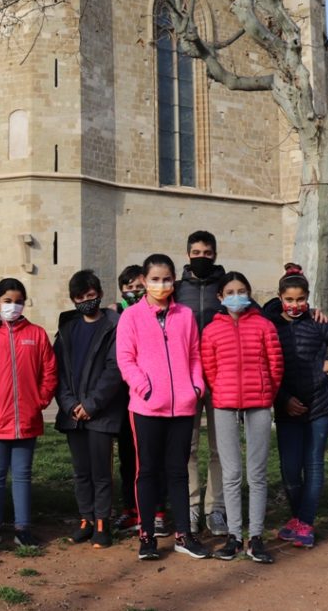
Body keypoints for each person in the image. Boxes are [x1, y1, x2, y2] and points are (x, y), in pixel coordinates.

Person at [116, 253, 211, 561]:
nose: (161, 284)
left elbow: (194, 354)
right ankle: (147, 536)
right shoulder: (131, 316)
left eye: (167, 279)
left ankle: (184, 534)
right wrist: (145, 389)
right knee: (147, 471)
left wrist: (195, 387)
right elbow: (125, 359)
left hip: (182, 406)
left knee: (178, 471)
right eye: (155, 279)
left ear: (174, 281)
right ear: (144, 281)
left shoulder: (184, 315)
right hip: (146, 408)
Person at [263, 263, 328, 549]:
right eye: (289, 299)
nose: (295, 305)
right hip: (287, 409)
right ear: (280, 298)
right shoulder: (270, 326)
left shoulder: (318, 323)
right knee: (290, 469)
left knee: (313, 463)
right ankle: (297, 519)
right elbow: (265, 368)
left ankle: (305, 523)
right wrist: (283, 399)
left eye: (301, 299)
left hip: (321, 405)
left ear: (308, 298)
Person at [0, 278, 57, 549]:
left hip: (27, 420)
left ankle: (23, 528)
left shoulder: (36, 334)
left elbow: (49, 371)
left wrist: (39, 400)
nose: (13, 306)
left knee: (22, 475)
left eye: (18, 301)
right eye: (7, 301)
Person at [201, 271, 283, 563]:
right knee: (232, 472)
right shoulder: (211, 330)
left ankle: (256, 537)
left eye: (241, 291)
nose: (236, 296)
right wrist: (223, 390)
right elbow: (209, 368)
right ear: (220, 297)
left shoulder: (264, 326)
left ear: (249, 294)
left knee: (257, 473)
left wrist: (267, 393)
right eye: (230, 292)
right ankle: (234, 536)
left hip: (258, 403)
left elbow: (275, 365)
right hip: (224, 404)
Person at [54, 270, 124, 549]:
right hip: (73, 414)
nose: (86, 301)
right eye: (80, 297)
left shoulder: (113, 326)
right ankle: (86, 518)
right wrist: (70, 404)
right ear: (73, 299)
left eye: (91, 295)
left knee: (101, 471)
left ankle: (102, 522)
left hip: (101, 412)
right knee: (81, 470)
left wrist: (92, 404)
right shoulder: (67, 329)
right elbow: (58, 371)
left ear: (100, 294)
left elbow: (114, 369)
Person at [174, 230, 228, 536]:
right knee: (189, 447)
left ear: (215, 255)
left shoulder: (227, 286)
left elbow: (257, 312)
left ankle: (216, 508)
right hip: (187, 378)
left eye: (207, 253)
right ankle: (192, 505)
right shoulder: (177, 290)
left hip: (220, 378)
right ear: (188, 255)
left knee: (220, 449)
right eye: (196, 253)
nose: (201, 258)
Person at [110, 264, 144, 535]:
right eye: (129, 287)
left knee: (150, 456)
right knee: (127, 456)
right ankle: (130, 508)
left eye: (139, 286)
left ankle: (153, 509)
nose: (134, 291)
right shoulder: (114, 314)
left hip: (147, 393)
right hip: (122, 396)